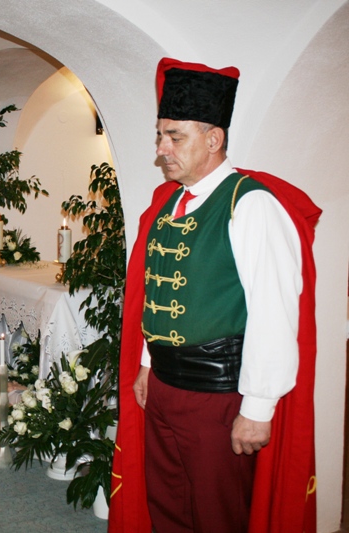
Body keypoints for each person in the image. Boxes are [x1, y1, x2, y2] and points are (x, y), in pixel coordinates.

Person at [109, 58, 320, 533]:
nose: (161, 149)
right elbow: (157, 287)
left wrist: (257, 409)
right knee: (168, 508)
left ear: (213, 139)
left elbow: (274, 312)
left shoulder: (251, 204)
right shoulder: (169, 203)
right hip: (164, 386)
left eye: (174, 136)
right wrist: (147, 363)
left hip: (217, 396)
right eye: (159, 136)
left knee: (216, 515)